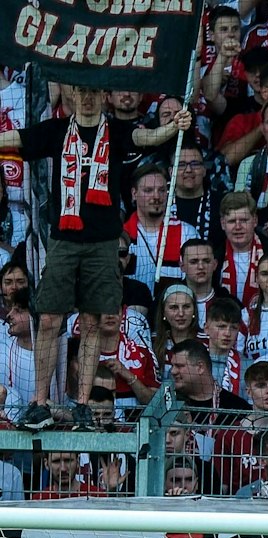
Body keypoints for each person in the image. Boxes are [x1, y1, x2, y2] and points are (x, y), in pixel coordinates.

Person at [0, 88, 189, 429]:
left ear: (103, 96)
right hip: (62, 240)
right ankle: (39, 403)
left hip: (103, 243)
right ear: (71, 93)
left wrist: (175, 125)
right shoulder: (56, 130)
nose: (85, 98)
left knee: (91, 322)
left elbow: (147, 137)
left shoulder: (115, 130)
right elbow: (13, 138)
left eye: (92, 93)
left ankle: (83, 405)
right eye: (79, 91)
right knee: (48, 320)